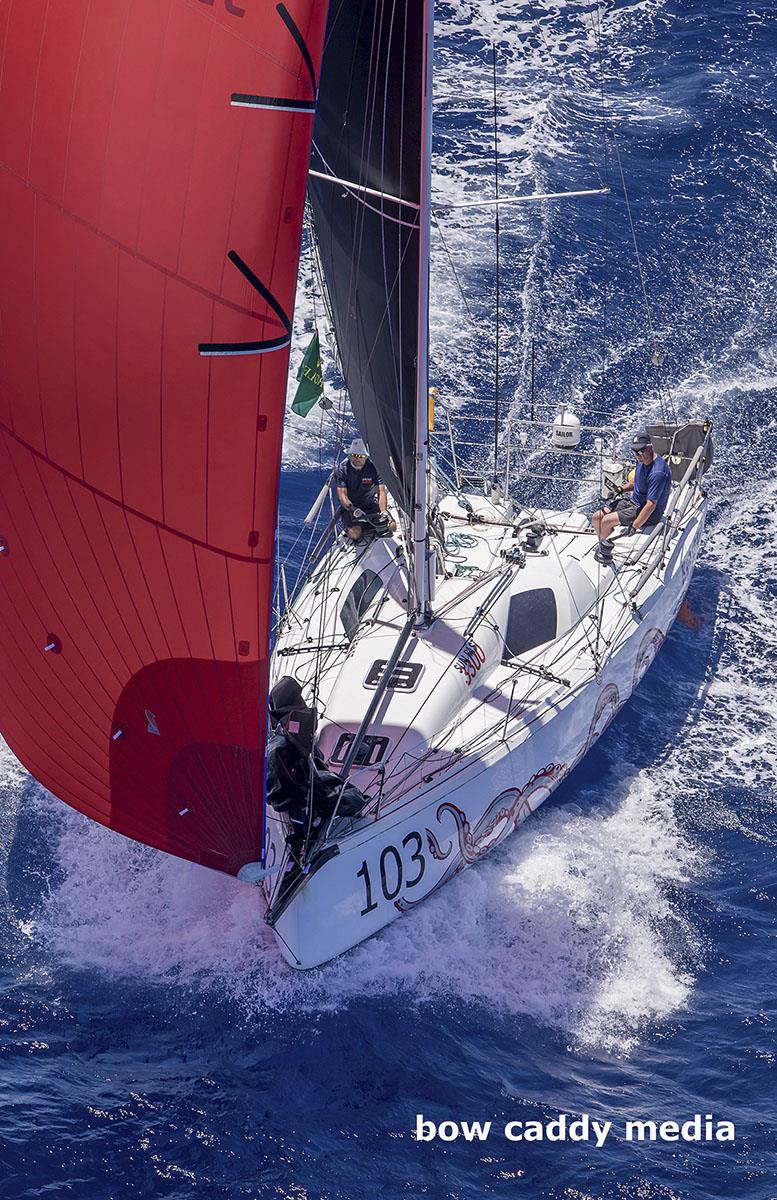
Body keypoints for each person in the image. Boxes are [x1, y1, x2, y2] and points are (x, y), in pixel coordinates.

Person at [593, 430, 672, 560]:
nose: (638, 454)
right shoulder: (641, 460)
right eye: (635, 451)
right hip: (634, 502)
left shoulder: (657, 473)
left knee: (607, 521)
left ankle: (605, 553)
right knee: (597, 517)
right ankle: (604, 543)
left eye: (641, 450)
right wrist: (620, 490)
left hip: (649, 513)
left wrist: (635, 526)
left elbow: (651, 505)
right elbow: (635, 482)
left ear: (650, 447)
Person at [335, 438, 397, 541]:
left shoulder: (373, 468)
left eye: (361, 456)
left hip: (369, 505)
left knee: (393, 526)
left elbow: (381, 491)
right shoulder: (342, 470)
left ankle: (370, 526)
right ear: (350, 456)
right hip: (352, 508)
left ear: (366, 457)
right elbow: (342, 496)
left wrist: (383, 511)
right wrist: (353, 509)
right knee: (355, 534)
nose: (357, 459)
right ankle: (358, 527)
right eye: (354, 456)